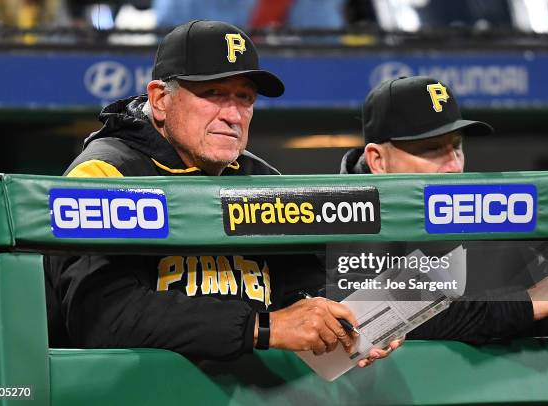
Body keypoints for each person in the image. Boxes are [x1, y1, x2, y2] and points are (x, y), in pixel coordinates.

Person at [44, 20, 400, 367]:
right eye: (213, 93)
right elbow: (104, 318)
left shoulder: (260, 179)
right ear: (161, 100)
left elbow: (303, 285)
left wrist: (350, 325)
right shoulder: (105, 174)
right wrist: (264, 327)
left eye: (244, 98)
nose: (232, 115)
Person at [340, 76, 548, 342]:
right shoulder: (328, 217)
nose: (454, 166)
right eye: (431, 149)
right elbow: (370, 318)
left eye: (457, 147)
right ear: (378, 160)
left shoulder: (484, 210)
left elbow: (542, 306)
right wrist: (526, 303)